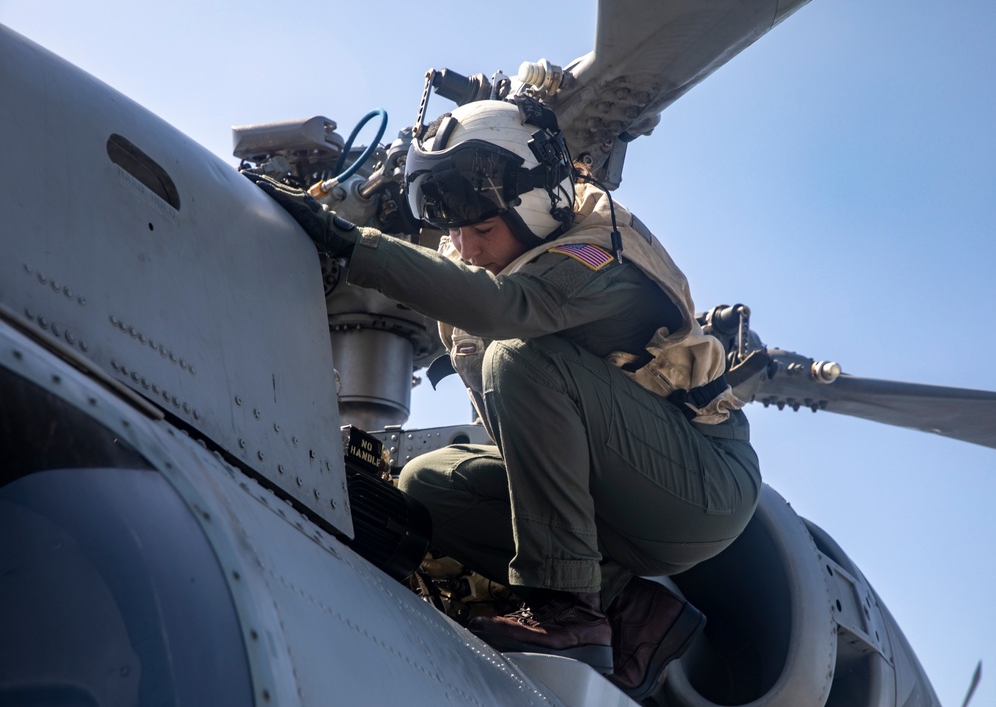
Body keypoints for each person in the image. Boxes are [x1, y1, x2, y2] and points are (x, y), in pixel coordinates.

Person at [244, 96, 760, 702]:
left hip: (700, 490)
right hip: (617, 497)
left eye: (482, 229)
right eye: (455, 231)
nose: (465, 248)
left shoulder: (598, 255)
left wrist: (350, 243)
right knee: (428, 485)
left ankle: (567, 610)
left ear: (537, 207)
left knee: (519, 355)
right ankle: (630, 609)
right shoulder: (501, 264)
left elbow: (509, 311)